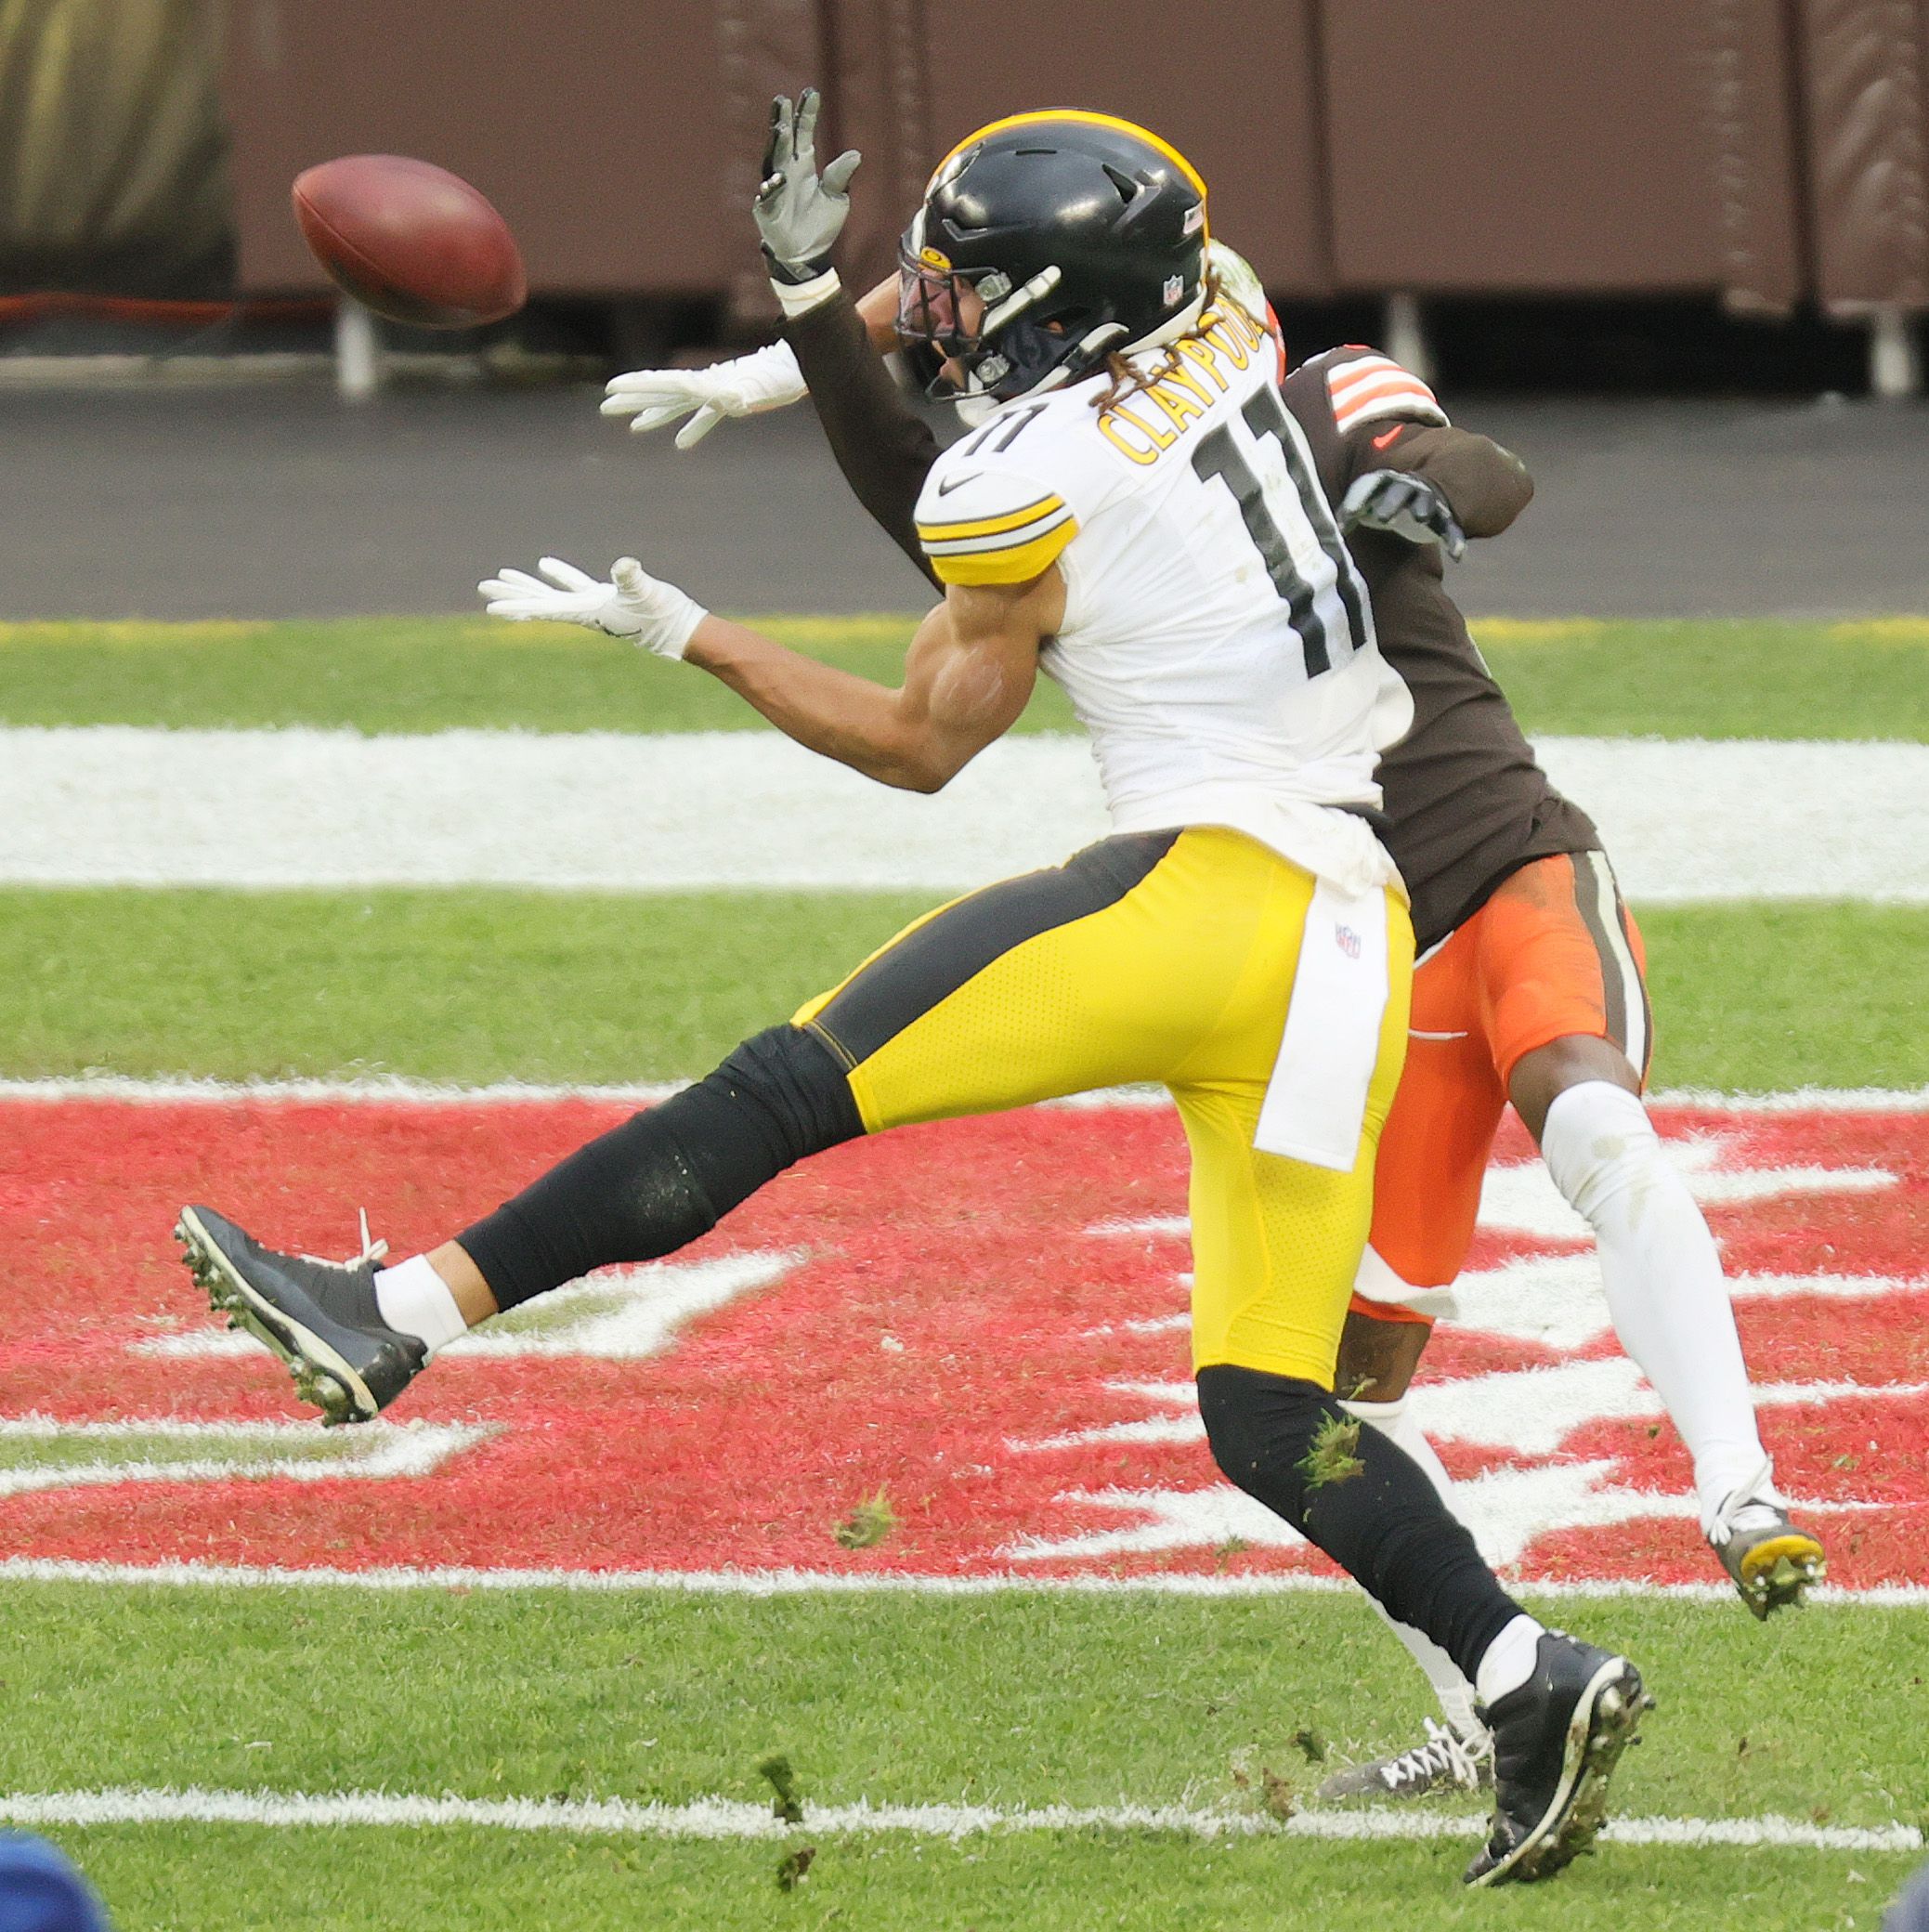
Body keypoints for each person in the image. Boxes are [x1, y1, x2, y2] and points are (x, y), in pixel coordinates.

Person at [176, 103, 1646, 1886]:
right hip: (1349, 924)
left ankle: (396, 1310)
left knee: (784, 1086)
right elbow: (965, 365)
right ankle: (1521, 1673)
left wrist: (694, 632)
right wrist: (800, 324)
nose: (924, 306)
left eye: (953, 288)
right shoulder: (1228, 306)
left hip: (1203, 895)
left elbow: (923, 740)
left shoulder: (1017, 477)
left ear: (1041, 303)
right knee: (1269, 1410)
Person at [604, 94, 1822, 1800]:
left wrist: (1415, 489)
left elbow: (1485, 470)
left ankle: (1739, 1490)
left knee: (1593, 1118)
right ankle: (1489, 1705)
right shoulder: (1104, 458)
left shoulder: (1289, 382)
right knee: (1334, 1391)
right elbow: (935, 489)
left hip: (1495, 863)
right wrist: (775, 350)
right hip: (1353, 948)